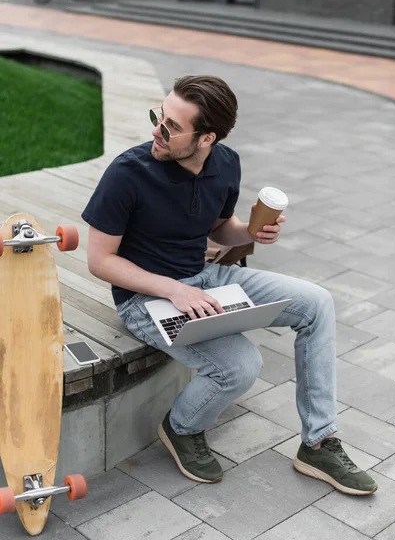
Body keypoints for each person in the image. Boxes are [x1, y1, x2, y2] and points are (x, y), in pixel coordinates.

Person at [82, 75, 378, 496]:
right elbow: (99, 261)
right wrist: (173, 289)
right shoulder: (127, 174)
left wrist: (251, 234)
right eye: (158, 117)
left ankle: (319, 441)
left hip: (207, 278)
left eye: (170, 127)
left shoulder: (226, 163)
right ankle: (182, 427)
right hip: (145, 299)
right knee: (241, 367)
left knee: (318, 303)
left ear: (207, 139)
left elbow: (220, 230)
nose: (156, 131)